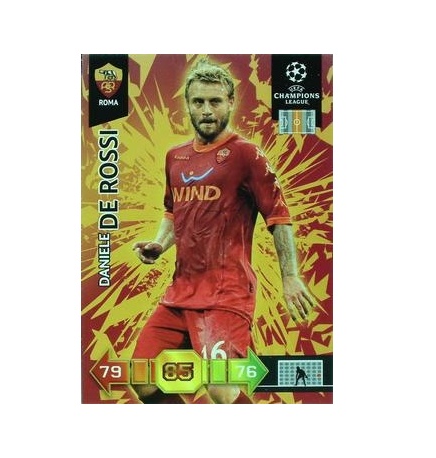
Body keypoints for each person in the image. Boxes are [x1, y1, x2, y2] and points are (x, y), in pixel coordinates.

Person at [132, 58, 315, 404]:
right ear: (188, 105)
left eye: (215, 101)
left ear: (230, 102)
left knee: (221, 386)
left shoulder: (246, 154)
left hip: (226, 294)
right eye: (198, 101)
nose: (206, 110)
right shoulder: (175, 157)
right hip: (180, 293)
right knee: (143, 379)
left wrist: (290, 276)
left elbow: (278, 216)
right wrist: (159, 243)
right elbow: (173, 211)